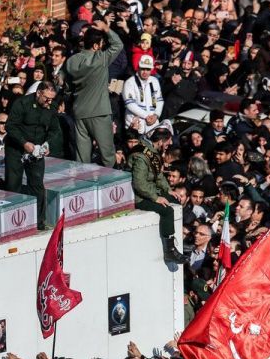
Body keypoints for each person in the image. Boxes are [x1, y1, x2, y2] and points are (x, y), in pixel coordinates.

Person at [65, 20, 123, 167]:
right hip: (99, 112)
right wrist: (106, 28)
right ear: (96, 45)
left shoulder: (71, 61)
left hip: (79, 111)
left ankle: (82, 187)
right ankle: (108, 186)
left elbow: (68, 86)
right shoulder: (101, 58)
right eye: (102, 44)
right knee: (108, 155)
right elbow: (118, 45)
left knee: (82, 157)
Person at [4, 82, 61, 230]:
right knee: (13, 183)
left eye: (51, 99)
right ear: (38, 93)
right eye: (47, 98)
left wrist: (48, 144)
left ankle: (38, 221)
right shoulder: (22, 103)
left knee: (37, 184)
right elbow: (10, 126)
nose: (49, 102)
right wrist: (24, 143)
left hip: (37, 148)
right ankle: (12, 220)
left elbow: (55, 130)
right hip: (16, 147)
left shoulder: (51, 107)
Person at [128, 128, 184, 263]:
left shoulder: (153, 152)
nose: (168, 146)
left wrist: (168, 190)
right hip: (139, 197)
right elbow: (139, 183)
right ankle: (169, 250)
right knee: (166, 210)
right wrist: (156, 198)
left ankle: (173, 236)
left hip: (151, 190)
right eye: (167, 143)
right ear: (160, 141)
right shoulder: (142, 156)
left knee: (175, 200)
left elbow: (158, 174)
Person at [122, 55, 171, 136]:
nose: (145, 72)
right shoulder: (130, 82)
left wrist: (156, 115)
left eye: (148, 69)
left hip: (152, 124)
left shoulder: (155, 81)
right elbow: (130, 104)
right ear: (138, 68)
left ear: (151, 69)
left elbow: (159, 100)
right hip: (135, 124)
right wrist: (146, 116)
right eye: (143, 69)